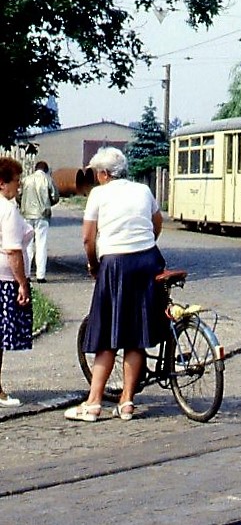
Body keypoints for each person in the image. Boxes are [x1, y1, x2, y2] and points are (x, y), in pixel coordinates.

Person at [65, 147, 165, 422]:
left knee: (107, 335)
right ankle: (127, 402)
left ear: (104, 174)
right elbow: (157, 223)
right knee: (135, 336)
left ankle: (94, 403)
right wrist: (143, 244)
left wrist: (93, 264)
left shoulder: (99, 194)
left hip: (115, 264)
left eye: (98, 173)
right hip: (147, 261)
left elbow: (88, 237)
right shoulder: (143, 191)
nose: (97, 178)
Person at [0, 158, 33, 408]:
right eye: (16, 181)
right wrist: (22, 283)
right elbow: (12, 251)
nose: (18, 186)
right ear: (2, 183)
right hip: (4, 280)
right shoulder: (7, 209)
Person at [20, 160, 59, 283]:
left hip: (27, 215)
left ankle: (27, 274)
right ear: (46, 170)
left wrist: (23, 206)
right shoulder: (48, 180)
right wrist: (48, 204)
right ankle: (40, 275)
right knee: (41, 244)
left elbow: (18, 196)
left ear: (35, 169)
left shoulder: (26, 180)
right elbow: (55, 197)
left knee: (27, 245)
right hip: (43, 216)